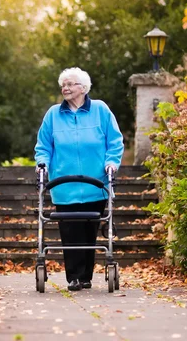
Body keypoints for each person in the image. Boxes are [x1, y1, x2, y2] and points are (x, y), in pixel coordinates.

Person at [34, 67, 124, 291]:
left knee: (89, 231)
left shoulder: (101, 110)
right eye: (63, 84)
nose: (65, 87)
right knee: (70, 231)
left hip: (96, 183)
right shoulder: (53, 114)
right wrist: (41, 163)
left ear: (83, 88)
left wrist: (112, 161)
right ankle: (74, 277)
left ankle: (86, 277)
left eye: (71, 84)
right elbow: (43, 145)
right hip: (64, 185)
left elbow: (115, 140)